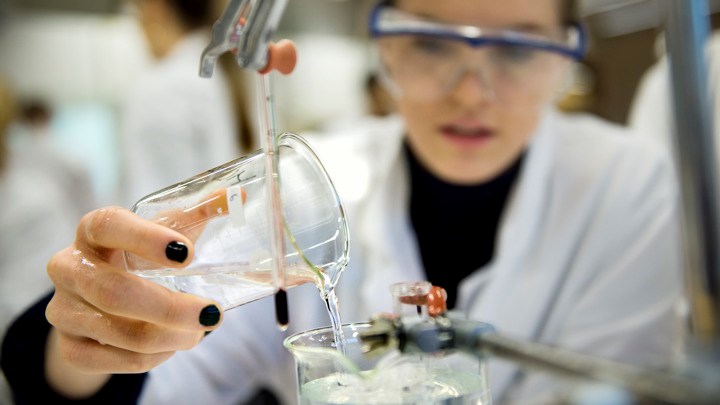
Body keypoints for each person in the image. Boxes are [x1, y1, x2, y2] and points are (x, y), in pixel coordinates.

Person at [2, 0, 685, 404]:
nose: (473, 91)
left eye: (517, 48)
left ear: (566, 55)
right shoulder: (312, 180)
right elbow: (161, 377)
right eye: (429, 42)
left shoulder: (626, 183)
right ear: (382, 43)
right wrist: (89, 333)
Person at [118, 0, 255, 206]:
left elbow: (148, 205)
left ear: (156, 8)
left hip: (181, 235)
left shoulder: (161, 88)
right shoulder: (225, 76)